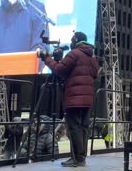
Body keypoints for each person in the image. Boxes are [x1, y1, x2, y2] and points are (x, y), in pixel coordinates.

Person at [41, 32, 99, 167]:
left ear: (76, 40)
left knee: (74, 128)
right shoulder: (92, 56)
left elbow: (59, 70)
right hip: (87, 98)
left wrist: (47, 59)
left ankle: (76, 159)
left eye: (72, 40)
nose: (71, 42)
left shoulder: (74, 54)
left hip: (74, 98)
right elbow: (95, 74)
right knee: (83, 128)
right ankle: (81, 157)